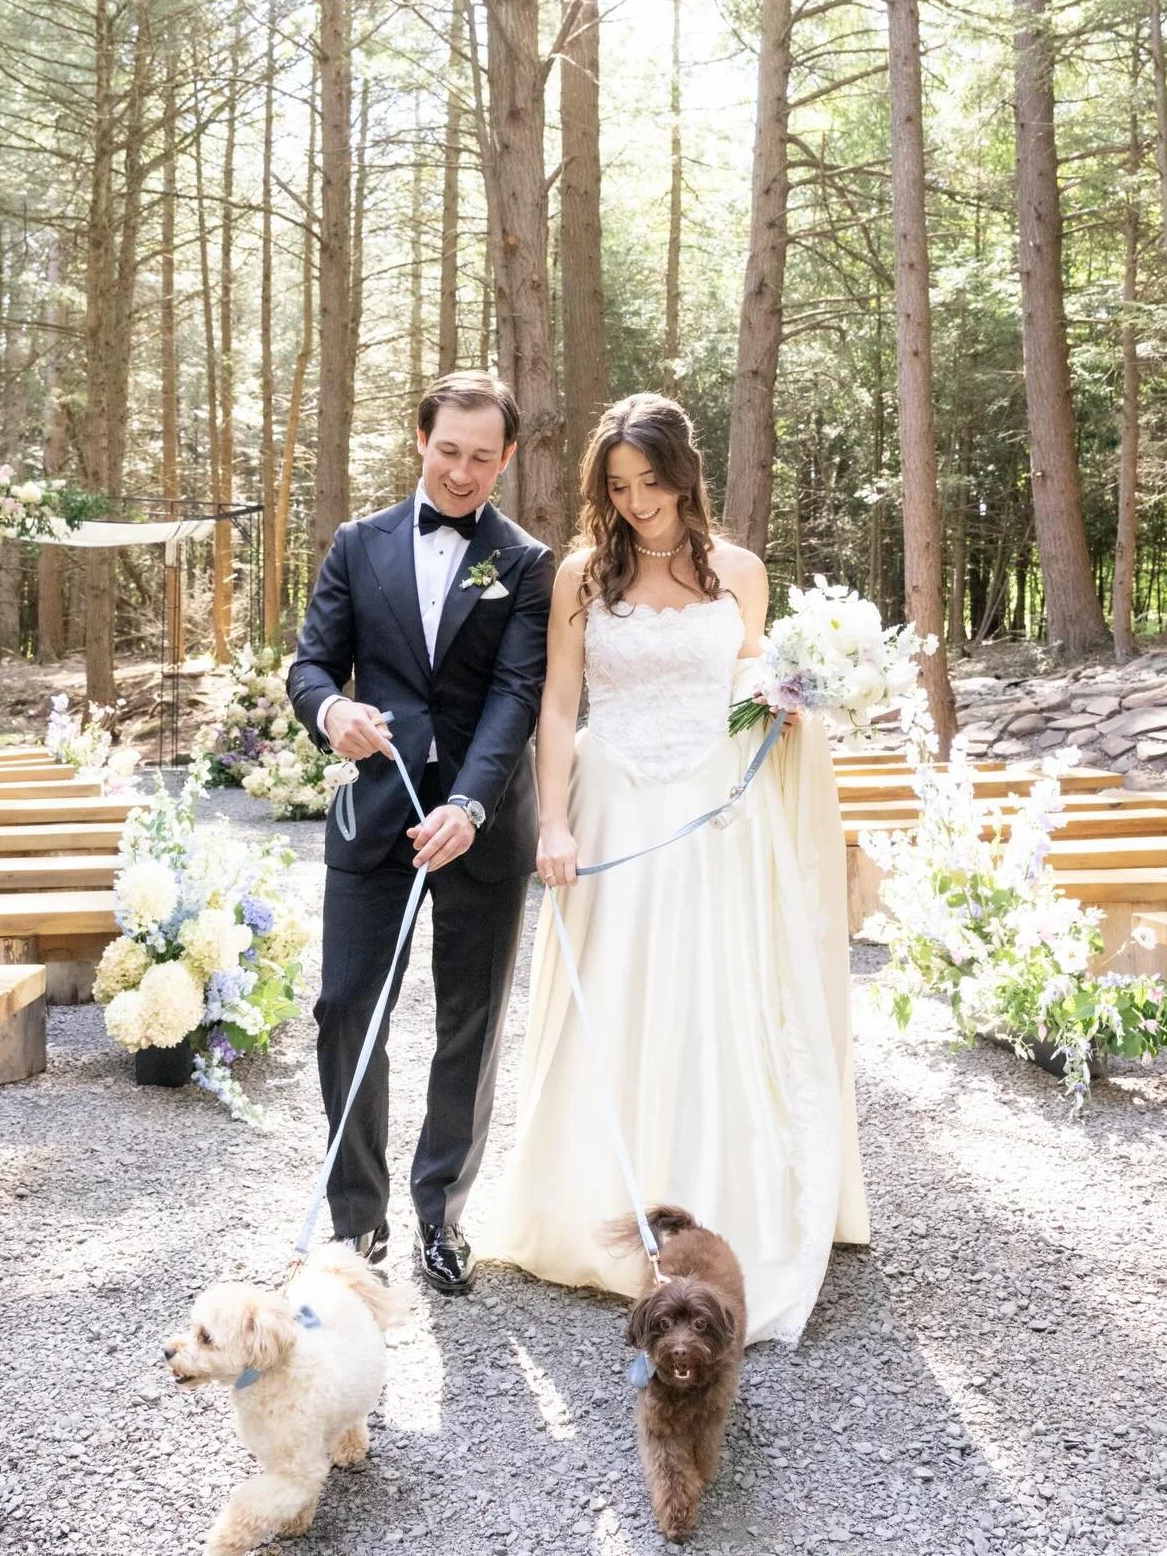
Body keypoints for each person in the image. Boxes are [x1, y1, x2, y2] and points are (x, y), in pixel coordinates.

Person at [483, 393, 867, 1344]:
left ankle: (723, 1206)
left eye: (650, 482)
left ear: (686, 474)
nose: (637, 502)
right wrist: (555, 822)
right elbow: (562, 705)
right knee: (612, 994)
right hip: (613, 805)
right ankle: (591, 1208)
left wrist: (787, 705)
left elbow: (750, 683)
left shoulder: (740, 572)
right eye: (617, 487)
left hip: (712, 810)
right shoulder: (582, 572)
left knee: (712, 997)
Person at [288, 372, 554, 1295]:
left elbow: (519, 694)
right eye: (450, 451)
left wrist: (472, 806)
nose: (464, 473)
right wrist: (332, 716)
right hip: (375, 820)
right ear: (421, 441)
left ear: (507, 459)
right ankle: (357, 1222)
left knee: (468, 1026)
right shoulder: (358, 546)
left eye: (484, 458)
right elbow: (312, 664)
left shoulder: (526, 564)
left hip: (481, 827)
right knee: (346, 1009)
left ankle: (442, 1215)